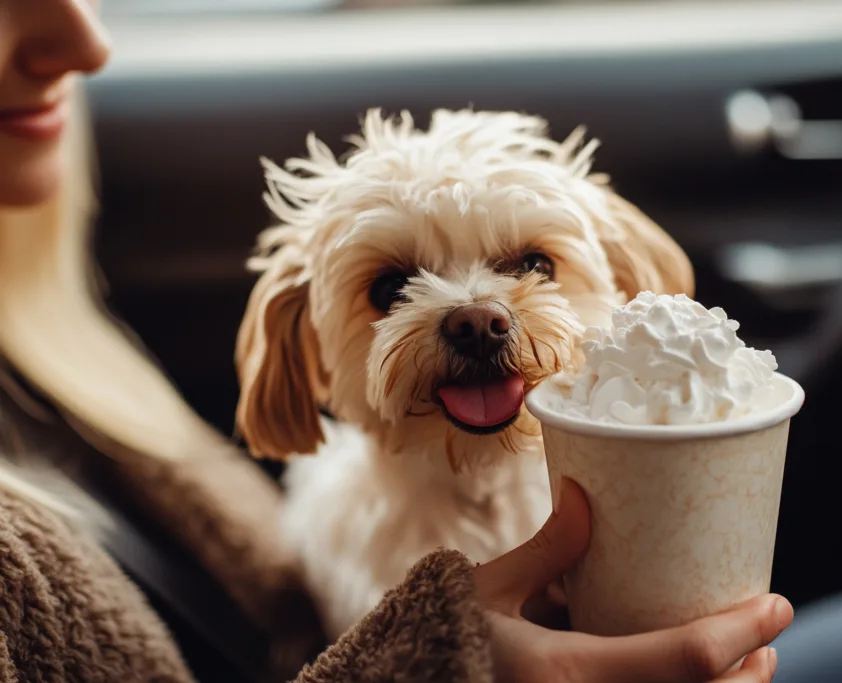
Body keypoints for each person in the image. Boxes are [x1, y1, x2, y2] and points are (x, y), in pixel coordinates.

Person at [0, 2, 790, 681]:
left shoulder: (62, 348)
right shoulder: (356, 554)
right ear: (303, 342)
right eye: (390, 289)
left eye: (532, 264)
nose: (479, 314)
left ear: (619, 277)